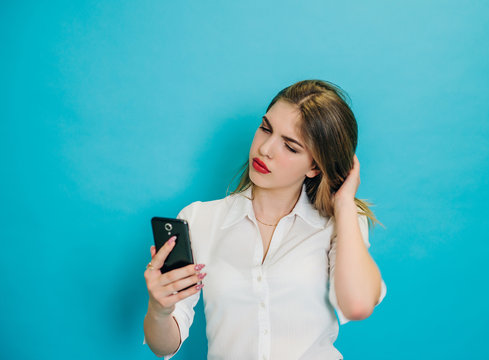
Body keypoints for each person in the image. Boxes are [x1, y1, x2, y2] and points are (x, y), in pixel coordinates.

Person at [142, 79, 387, 360]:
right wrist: (159, 309)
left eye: (291, 146)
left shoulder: (339, 225)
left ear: (315, 166)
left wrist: (343, 204)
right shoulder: (200, 219)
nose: (265, 149)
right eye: (265, 129)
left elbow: (357, 306)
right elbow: (164, 345)